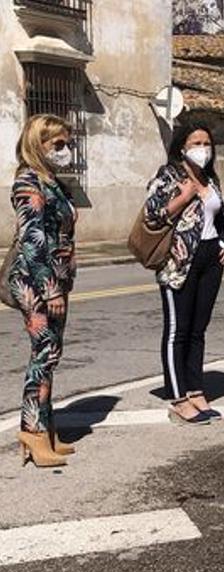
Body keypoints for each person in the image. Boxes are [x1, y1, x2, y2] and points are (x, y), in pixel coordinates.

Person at [144, 122, 224, 425]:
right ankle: (178, 397)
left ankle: (196, 390)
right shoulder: (168, 176)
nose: (203, 148)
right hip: (178, 263)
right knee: (178, 330)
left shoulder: (210, 177)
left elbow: (219, 217)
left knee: (198, 329)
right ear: (182, 148)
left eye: (206, 143)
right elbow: (152, 214)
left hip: (210, 259)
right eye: (196, 142)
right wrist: (183, 197)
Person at [8, 114, 78, 467]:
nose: (66, 150)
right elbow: (32, 242)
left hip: (56, 279)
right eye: (59, 145)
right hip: (34, 282)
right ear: (39, 145)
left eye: (68, 143)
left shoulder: (53, 182)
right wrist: (50, 290)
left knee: (52, 353)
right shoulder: (27, 183)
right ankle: (32, 432)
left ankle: (45, 427)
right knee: (44, 350)